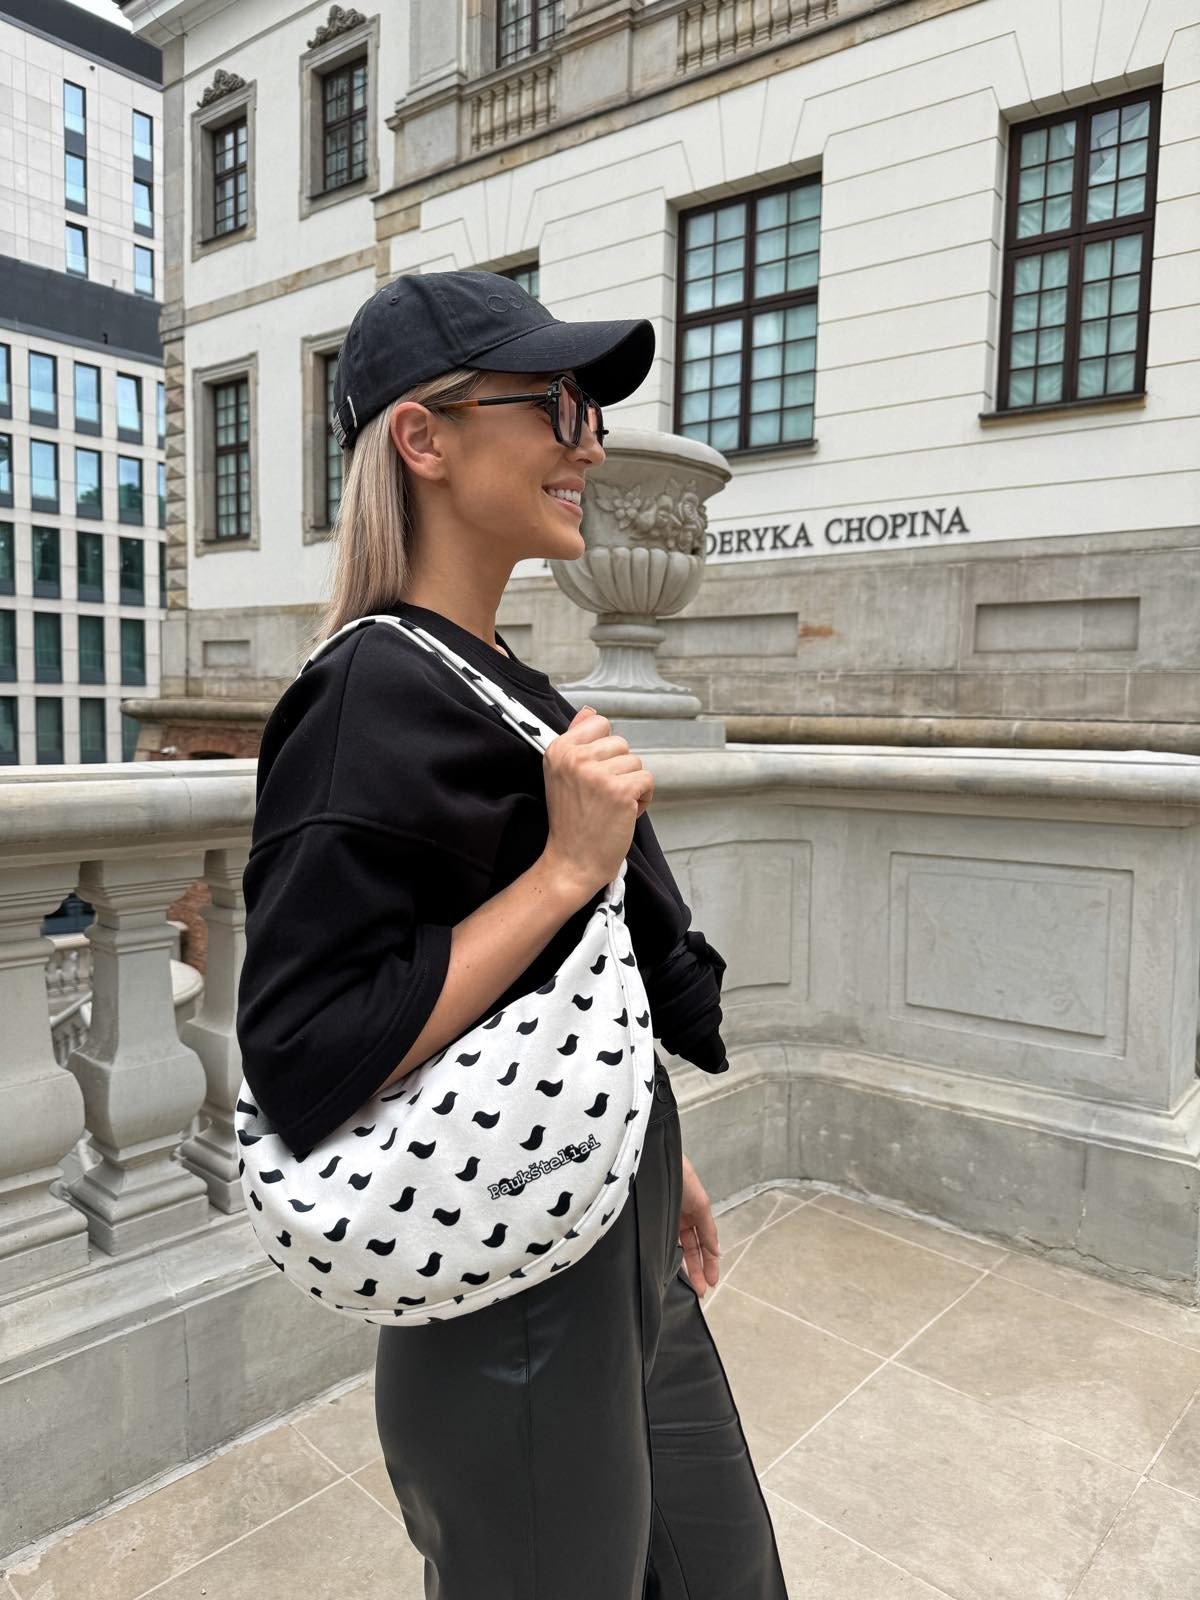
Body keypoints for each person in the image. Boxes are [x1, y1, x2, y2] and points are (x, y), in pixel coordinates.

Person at [235, 270, 790, 1599]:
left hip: (606, 1215)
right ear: (424, 442)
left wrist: (661, 1158)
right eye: (553, 403)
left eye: (590, 406)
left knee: (724, 1578)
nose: (589, 439)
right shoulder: (366, 693)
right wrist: (562, 870)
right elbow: (306, 1053)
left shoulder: (488, 678)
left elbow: (563, 995)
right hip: (509, 1295)